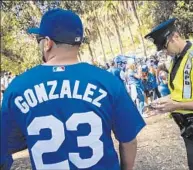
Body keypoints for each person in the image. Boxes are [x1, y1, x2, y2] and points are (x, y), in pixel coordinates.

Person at [1, 8, 146, 170]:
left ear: (48, 43)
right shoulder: (107, 81)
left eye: (39, 40)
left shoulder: (17, 88)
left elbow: (5, 146)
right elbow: (128, 140)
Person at [145, 18, 193, 170]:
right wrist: (161, 104)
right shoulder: (177, 61)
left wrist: (177, 105)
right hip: (188, 127)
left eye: (164, 46)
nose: (164, 51)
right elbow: (181, 93)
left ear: (174, 37)